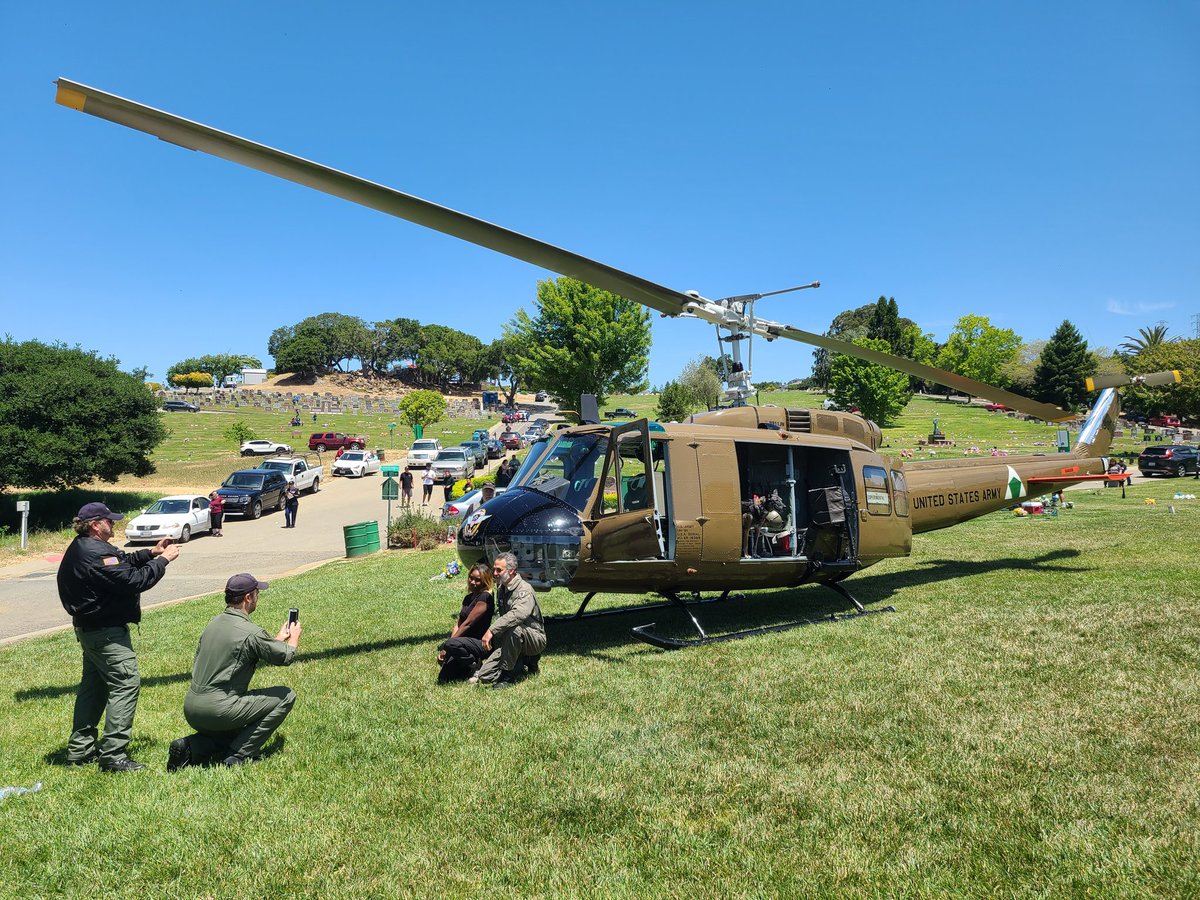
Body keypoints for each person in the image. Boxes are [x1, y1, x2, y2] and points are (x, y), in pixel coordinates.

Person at [57, 501, 180, 772]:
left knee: (94, 687)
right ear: (94, 525)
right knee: (126, 683)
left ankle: (80, 750)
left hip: (90, 630)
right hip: (106, 634)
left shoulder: (85, 546)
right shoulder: (94, 555)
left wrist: (150, 552)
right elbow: (134, 581)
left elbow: (120, 561)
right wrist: (163, 560)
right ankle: (113, 756)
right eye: (109, 520)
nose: (114, 523)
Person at [169, 574, 301, 770]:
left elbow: (243, 650)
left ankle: (189, 747)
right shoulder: (250, 631)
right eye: (257, 593)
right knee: (285, 696)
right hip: (218, 711)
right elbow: (284, 657)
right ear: (248, 597)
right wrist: (294, 638)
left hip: (192, 709)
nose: (258, 597)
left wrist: (276, 640)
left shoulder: (213, 623)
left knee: (237, 732)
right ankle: (238, 755)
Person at [472, 552, 546, 687]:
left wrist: (491, 631)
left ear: (511, 571)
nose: (494, 573)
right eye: (494, 569)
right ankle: (522, 661)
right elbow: (500, 616)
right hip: (511, 641)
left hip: (534, 638)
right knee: (485, 676)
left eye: (499, 570)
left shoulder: (524, 589)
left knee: (514, 629)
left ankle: (508, 677)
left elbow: (518, 615)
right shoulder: (502, 588)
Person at [436, 563, 495, 683]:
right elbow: (459, 624)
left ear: (485, 581)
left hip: (479, 643)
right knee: (444, 678)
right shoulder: (468, 598)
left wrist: (448, 647)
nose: (473, 582)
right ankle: (467, 666)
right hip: (462, 643)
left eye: (478, 580)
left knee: (451, 645)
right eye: (471, 578)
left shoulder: (485, 597)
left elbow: (468, 624)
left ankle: (476, 665)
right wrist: (450, 647)